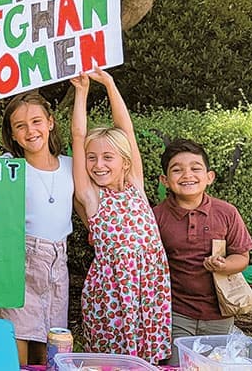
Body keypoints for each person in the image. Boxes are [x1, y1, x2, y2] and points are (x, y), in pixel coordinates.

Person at [0, 93, 77, 366]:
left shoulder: (70, 166)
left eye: (36, 121)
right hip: (18, 264)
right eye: (20, 126)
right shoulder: (8, 166)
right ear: (12, 135)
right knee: (13, 348)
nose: (30, 130)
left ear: (50, 123)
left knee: (48, 353)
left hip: (57, 268)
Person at [70, 69, 172, 363]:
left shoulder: (135, 185)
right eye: (92, 158)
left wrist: (110, 84)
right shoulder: (91, 196)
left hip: (149, 284)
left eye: (107, 157)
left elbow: (125, 129)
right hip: (113, 290)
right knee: (110, 359)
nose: (98, 165)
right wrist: (81, 91)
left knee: (148, 358)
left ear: (125, 162)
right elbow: (78, 136)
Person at [153, 139, 252, 361]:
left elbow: (242, 256)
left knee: (214, 365)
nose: (187, 175)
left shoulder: (226, 213)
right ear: (165, 181)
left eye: (195, 168)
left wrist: (226, 265)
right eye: (177, 170)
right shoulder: (156, 216)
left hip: (219, 314)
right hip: (175, 313)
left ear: (209, 177)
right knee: (177, 365)